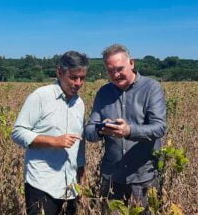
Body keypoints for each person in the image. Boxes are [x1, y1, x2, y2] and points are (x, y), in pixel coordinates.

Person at [84, 44, 166, 212]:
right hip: (112, 177)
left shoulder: (151, 88)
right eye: (110, 71)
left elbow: (159, 127)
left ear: (132, 63)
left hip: (144, 177)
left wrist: (129, 131)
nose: (115, 75)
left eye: (120, 69)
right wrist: (101, 129)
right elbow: (89, 131)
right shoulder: (103, 93)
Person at [11, 51, 88, 215]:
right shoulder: (40, 96)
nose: (78, 83)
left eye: (82, 78)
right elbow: (17, 132)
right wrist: (53, 141)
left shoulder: (79, 103)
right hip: (42, 184)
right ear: (59, 72)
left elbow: (80, 144)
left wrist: (82, 178)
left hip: (71, 187)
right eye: (73, 78)